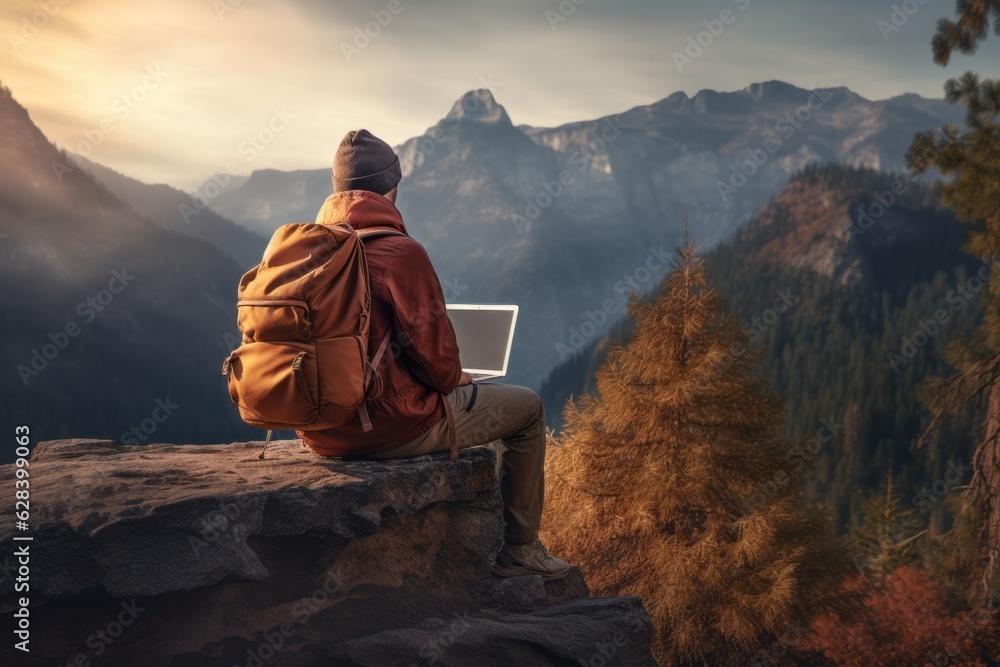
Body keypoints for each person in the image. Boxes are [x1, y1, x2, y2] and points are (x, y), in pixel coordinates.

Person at [298, 129, 569, 581]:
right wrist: (459, 377)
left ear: (336, 189)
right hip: (388, 429)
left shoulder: (307, 250)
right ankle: (520, 551)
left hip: (318, 428)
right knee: (527, 410)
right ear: (392, 188)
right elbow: (440, 368)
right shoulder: (400, 252)